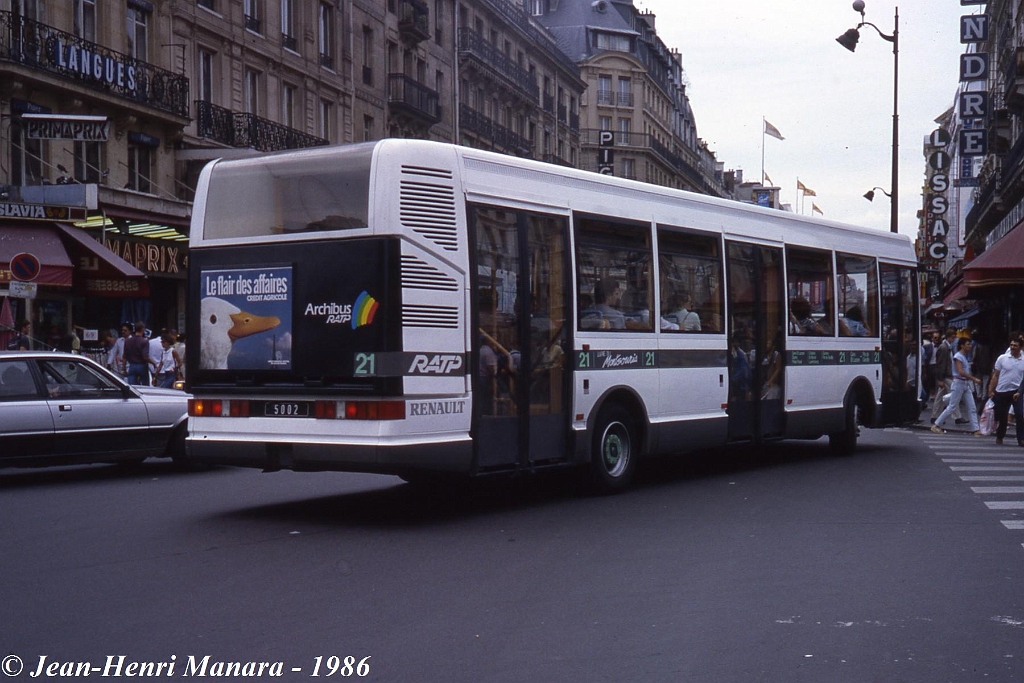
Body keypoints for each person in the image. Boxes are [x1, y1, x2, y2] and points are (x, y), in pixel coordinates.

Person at [932, 337, 984, 436]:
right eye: (968, 344)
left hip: (964, 384)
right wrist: (974, 379)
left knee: (972, 407)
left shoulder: (963, 356)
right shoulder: (958, 356)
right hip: (958, 383)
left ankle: (976, 429)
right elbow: (960, 371)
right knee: (952, 406)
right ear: (962, 345)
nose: (970, 346)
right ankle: (937, 424)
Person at [988, 335, 1024, 446]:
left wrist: (1020, 391)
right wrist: (991, 389)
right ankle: (1000, 435)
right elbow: (995, 375)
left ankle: (1021, 439)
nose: (1013, 347)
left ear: (1020, 347)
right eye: (1011, 345)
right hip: (1002, 391)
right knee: (1002, 416)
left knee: (1019, 414)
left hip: (1016, 391)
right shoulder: (1002, 358)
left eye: (1015, 346)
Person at [931, 329, 961, 424]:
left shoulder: (947, 347)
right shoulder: (944, 348)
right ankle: (957, 417)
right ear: (948, 337)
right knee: (954, 395)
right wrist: (940, 378)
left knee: (940, 397)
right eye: (953, 337)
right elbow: (941, 364)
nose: (954, 339)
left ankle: (935, 416)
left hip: (946, 375)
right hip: (946, 376)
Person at [124, 321, 155, 386]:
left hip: (132, 365)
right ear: (143, 329)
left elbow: (124, 356)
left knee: (132, 386)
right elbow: (145, 357)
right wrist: (153, 363)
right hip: (142, 365)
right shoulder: (144, 341)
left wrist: (123, 368)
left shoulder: (127, 341)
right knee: (144, 386)